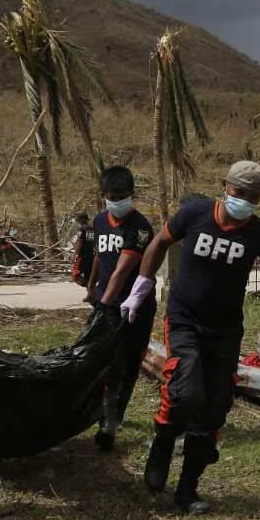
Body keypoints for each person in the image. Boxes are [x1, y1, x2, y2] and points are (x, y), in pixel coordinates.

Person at [118, 161, 260, 515]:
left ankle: (187, 490)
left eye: (253, 196)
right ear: (224, 185)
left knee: (214, 409)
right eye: (239, 193)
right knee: (187, 390)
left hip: (225, 330)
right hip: (183, 320)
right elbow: (160, 242)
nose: (244, 201)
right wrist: (142, 285)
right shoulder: (194, 214)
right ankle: (164, 441)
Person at [83, 166, 156, 451]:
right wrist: (91, 287)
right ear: (104, 196)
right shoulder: (100, 222)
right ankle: (105, 417)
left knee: (128, 364)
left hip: (134, 307)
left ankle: (114, 419)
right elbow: (101, 258)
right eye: (114, 196)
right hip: (106, 304)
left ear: (132, 195)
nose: (119, 201)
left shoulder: (140, 227)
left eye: (124, 196)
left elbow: (123, 271)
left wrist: (103, 305)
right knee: (107, 364)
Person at [71, 212, 95, 287]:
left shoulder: (81, 229)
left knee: (75, 274)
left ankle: (88, 286)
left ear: (81, 220)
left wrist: (75, 254)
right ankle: (90, 290)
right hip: (91, 255)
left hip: (82, 255)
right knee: (88, 275)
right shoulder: (92, 229)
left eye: (78, 220)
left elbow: (80, 242)